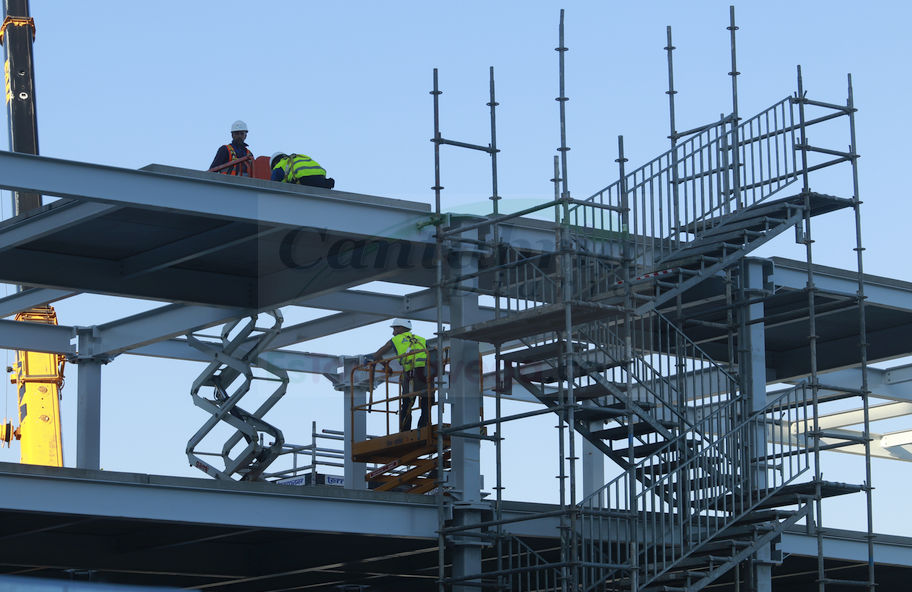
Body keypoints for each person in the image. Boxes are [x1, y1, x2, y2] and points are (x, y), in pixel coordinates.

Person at [371, 318, 433, 432]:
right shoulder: (421, 339)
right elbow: (433, 353)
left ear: (400, 328)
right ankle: (424, 427)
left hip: (411, 374)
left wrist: (386, 366)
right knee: (426, 401)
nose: (393, 332)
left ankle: (405, 431)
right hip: (427, 372)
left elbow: (377, 355)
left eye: (394, 328)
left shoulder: (396, 339)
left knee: (407, 403)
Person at [269, 151, 336, 189]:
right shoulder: (300, 157)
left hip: (303, 180)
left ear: (274, 163)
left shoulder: (279, 166)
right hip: (321, 179)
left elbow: (274, 186)